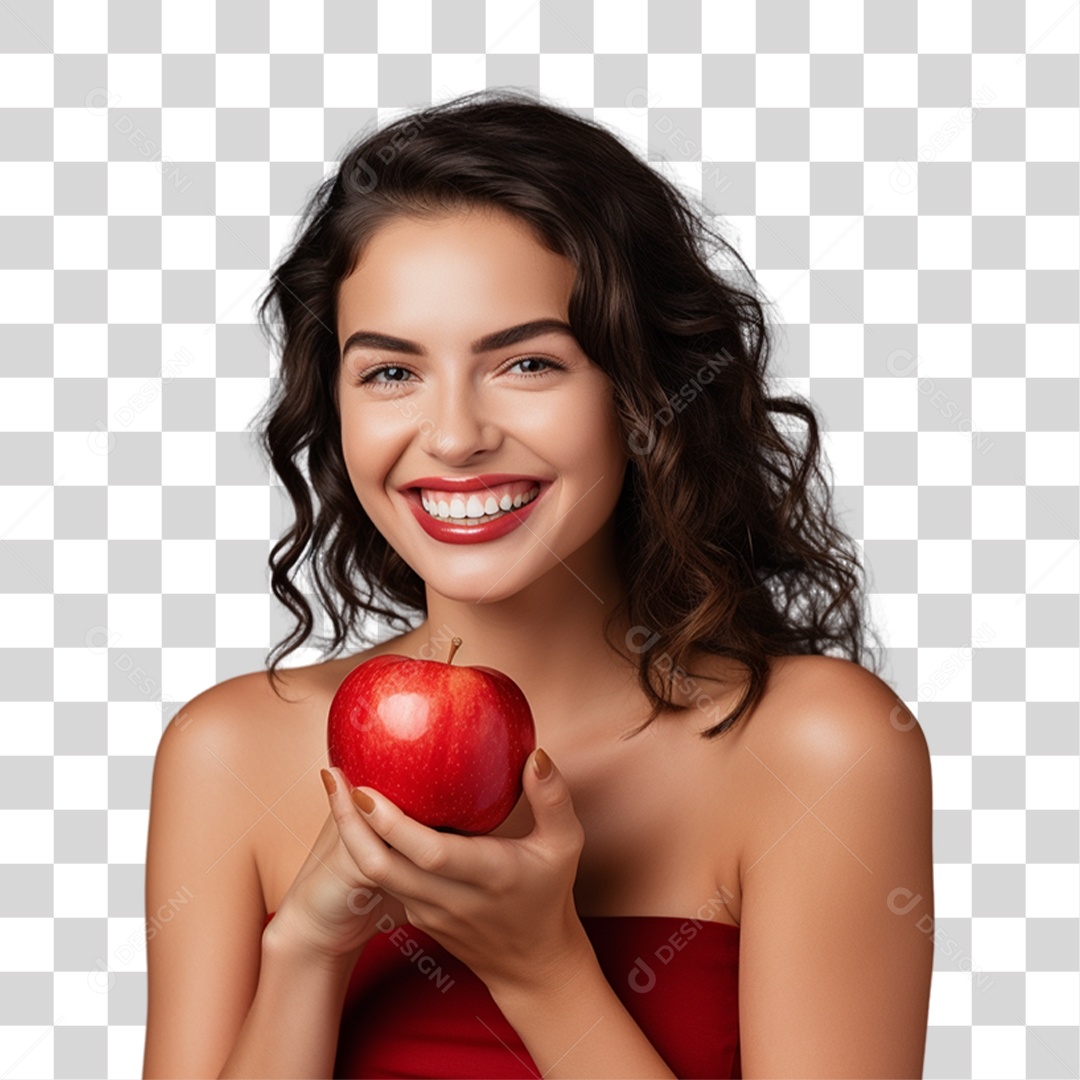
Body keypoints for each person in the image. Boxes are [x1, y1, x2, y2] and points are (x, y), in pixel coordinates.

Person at [142, 88, 934, 1079]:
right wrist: (305, 950)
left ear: (639, 391)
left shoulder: (817, 748)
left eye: (525, 362)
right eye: (390, 373)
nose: (455, 436)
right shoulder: (226, 754)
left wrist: (542, 970)